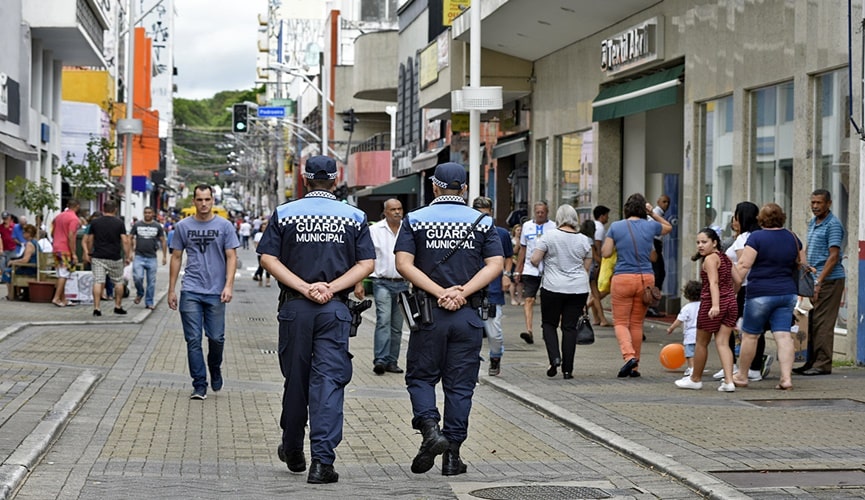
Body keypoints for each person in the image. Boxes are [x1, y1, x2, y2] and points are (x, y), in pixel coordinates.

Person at [258, 156, 374, 484]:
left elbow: (268, 258)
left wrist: (304, 288)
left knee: (296, 380)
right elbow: (366, 263)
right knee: (328, 383)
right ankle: (322, 462)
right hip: (334, 309)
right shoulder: (354, 216)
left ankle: (293, 447)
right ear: (335, 180)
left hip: (295, 308)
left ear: (304, 179)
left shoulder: (285, 213)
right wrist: (331, 288)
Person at [394, 162, 503, 477]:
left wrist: (440, 292)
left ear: (434, 186)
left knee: (420, 378)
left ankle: (430, 429)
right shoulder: (482, 221)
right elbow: (496, 263)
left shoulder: (414, 219)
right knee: (460, 387)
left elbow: (403, 263)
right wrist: (461, 293)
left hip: (428, 314)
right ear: (465, 189)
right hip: (467, 314)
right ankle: (452, 456)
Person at [168, 184, 239, 401]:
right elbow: (176, 257)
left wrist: (228, 285)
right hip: (191, 289)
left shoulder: (225, 226)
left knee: (216, 338)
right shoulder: (182, 227)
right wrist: (171, 289)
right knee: (193, 340)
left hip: (216, 292)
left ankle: (215, 367)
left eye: (207, 199)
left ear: (213, 200)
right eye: (200, 200)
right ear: (194, 201)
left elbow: (231, 257)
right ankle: (199, 384)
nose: (204, 204)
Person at [732, 203, 801, 391]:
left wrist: (732, 286)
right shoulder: (793, 237)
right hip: (787, 293)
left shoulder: (756, 237)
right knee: (783, 336)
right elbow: (802, 262)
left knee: (750, 336)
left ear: (761, 219)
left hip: (760, 293)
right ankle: (786, 378)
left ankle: (742, 375)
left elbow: (744, 265)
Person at [602, 193, 672, 378]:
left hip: (623, 278)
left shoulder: (616, 227)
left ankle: (629, 356)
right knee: (636, 323)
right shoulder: (650, 226)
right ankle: (635, 367)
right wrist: (653, 213)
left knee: (620, 322)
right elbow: (668, 227)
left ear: (626, 209)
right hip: (645, 280)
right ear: (644, 209)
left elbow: (606, 253)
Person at [530, 204, 592, 380]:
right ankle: (568, 370)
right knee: (569, 327)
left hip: (553, 287)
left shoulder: (548, 237)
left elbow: (535, 259)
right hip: (578, 288)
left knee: (549, 324)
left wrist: (547, 263)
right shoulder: (584, 240)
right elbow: (586, 266)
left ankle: (555, 357)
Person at [675, 229, 738, 392]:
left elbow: (713, 283)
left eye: (704, 242)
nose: (700, 246)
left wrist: (716, 305)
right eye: (698, 242)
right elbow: (738, 279)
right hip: (731, 302)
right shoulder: (726, 258)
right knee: (723, 343)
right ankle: (729, 381)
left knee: (701, 343)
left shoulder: (710, 259)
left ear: (714, 242)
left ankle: (695, 378)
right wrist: (731, 294)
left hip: (711, 303)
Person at [714, 201, 769, 382]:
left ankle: (732, 365)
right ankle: (753, 367)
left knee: (727, 325)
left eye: (735, 215)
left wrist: (733, 288)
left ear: (741, 217)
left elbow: (743, 266)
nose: (733, 219)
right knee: (754, 328)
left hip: (743, 288)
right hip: (759, 287)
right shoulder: (761, 235)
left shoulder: (743, 238)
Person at [355, 198, 409, 376]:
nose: (397, 212)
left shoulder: (408, 229)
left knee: (397, 325)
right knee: (383, 320)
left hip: (402, 284)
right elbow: (364, 257)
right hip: (382, 283)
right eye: (393, 209)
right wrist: (359, 282)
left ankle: (392, 361)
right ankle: (380, 359)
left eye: (399, 208)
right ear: (385, 212)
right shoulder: (374, 230)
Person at [794, 189, 845, 376]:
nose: (815, 206)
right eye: (813, 202)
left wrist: (820, 281)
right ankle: (811, 361)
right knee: (811, 321)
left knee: (823, 322)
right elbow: (808, 248)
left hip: (829, 280)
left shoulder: (833, 225)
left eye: (819, 203)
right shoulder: (813, 223)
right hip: (812, 278)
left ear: (828, 204)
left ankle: (823, 363)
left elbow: (834, 256)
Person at [471, 196, 514, 376]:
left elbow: (508, 257)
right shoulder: (467, 231)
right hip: (470, 289)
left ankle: (495, 356)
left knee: (494, 332)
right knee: (470, 332)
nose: (483, 219)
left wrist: (506, 274)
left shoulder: (501, 234)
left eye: (486, 215)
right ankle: (471, 363)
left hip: (492, 290)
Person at [513, 201, 556, 344]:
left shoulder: (553, 227)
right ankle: (529, 330)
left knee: (548, 301)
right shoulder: (527, 226)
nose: (540, 214)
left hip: (548, 269)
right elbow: (522, 249)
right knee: (529, 299)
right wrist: (518, 270)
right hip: (530, 269)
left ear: (547, 212)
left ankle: (547, 329)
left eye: (542, 212)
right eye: (537, 212)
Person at [83, 200, 131, 316]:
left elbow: (89, 240)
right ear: (115, 209)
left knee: (98, 281)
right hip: (114, 257)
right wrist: (128, 255)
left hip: (98, 256)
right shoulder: (119, 223)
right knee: (118, 282)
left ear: (103, 209)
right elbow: (125, 241)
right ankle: (118, 306)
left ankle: (97, 308)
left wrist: (89, 253)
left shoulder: (95, 223)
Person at [130, 206, 167, 309]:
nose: (147, 214)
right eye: (145, 212)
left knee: (151, 281)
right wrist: (129, 252)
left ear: (153, 214)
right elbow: (130, 237)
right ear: (143, 213)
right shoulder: (137, 225)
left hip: (152, 257)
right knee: (138, 277)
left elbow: (163, 240)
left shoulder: (157, 226)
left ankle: (149, 302)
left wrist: (164, 256)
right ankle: (140, 292)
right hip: (139, 256)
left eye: (149, 213)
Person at [666, 280, 701, 378]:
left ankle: (692, 368)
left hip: (690, 334)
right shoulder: (703, 306)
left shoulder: (687, 308)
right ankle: (698, 368)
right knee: (700, 352)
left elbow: (679, 320)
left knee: (690, 353)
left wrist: (671, 328)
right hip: (701, 333)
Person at [51, 199, 82, 307]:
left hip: (56, 247)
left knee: (60, 274)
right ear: (77, 206)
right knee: (64, 274)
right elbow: (71, 236)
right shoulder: (74, 219)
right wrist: (73, 253)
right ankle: (56, 298)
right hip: (65, 248)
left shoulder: (59, 216)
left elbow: (52, 231)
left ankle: (64, 299)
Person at [647, 195, 670, 317]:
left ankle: (653, 304)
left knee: (660, 274)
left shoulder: (658, 214)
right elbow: (650, 231)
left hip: (657, 244)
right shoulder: (655, 213)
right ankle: (651, 305)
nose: (666, 204)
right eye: (664, 202)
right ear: (658, 202)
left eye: (668, 202)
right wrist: (653, 249)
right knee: (658, 274)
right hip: (654, 244)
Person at [588, 205, 611, 326]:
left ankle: (598, 318)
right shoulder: (600, 228)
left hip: (593, 263)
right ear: (602, 216)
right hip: (596, 263)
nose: (608, 218)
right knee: (599, 291)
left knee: (594, 291)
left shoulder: (595, 226)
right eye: (607, 215)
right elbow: (597, 245)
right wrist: (599, 261)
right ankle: (597, 316)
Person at [2, 224, 38, 299]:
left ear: (29, 234)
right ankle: (16, 293)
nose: (22, 234)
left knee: (7, 271)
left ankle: (11, 295)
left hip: (30, 269)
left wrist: (13, 262)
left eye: (24, 232)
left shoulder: (29, 244)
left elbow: (25, 260)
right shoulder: (35, 242)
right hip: (33, 267)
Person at [252, 220, 271, 287]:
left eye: (265, 227)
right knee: (261, 266)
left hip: (268, 253)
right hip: (260, 253)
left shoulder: (270, 234)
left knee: (268, 267)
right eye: (263, 227)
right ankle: (260, 279)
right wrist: (258, 250)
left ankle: (268, 281)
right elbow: (256, 243)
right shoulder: (258, 234)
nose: (264, 228)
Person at [508, 224, 523, 306]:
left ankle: (520, 298)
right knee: (513, 281)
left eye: (521, 230)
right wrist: (517, 244)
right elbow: (513, 252)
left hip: (521, 262)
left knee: (520, 282)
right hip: (513, 262)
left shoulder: (523, 240)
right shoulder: (512, 241)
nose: (519, 232)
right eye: (518, 230)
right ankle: (512, 298)